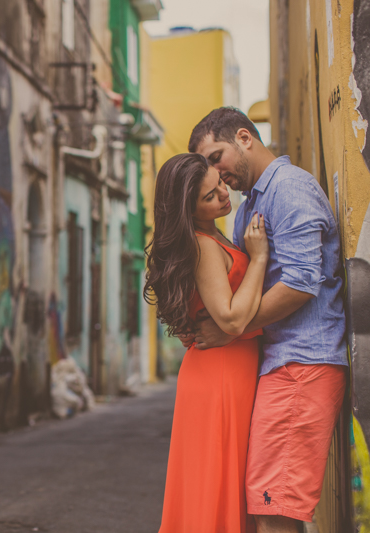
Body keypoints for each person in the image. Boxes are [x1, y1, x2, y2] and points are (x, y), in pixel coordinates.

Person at [186, 107, 347, 533]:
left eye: (217, 157)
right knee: (267, 506)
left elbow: (299, 283)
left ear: (244, 137)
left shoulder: (289, 189)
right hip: (282, 367)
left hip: (302, 365)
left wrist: (231, 328)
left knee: (274, 511)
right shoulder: (246, 209)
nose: (217, 173)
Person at [146, 152, 268, 532]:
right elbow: (230, 317)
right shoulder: (202, 246)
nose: (222, 194)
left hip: (218, 373)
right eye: (210, 196)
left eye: (219, 182)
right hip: (220, 379)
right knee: (217, 486)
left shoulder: (211, 236)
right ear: (189, 210)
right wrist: (260, 258)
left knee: (213, 487)